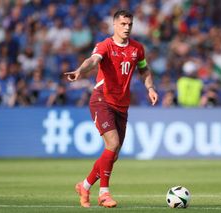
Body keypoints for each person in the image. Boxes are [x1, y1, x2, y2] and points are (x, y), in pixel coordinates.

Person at [64, 10, 158, 208]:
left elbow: (144, 69)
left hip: (122, 106)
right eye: (123, 24)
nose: (126, 28)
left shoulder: (137, 49)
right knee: (113, 143)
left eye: (129, 24)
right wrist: (80, 71)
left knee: (112, 155)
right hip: (102, 100)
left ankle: (85, 185)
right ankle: (104, 194)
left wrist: (150, 87)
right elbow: (93, 60)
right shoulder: (105, 45)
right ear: (114, 25)